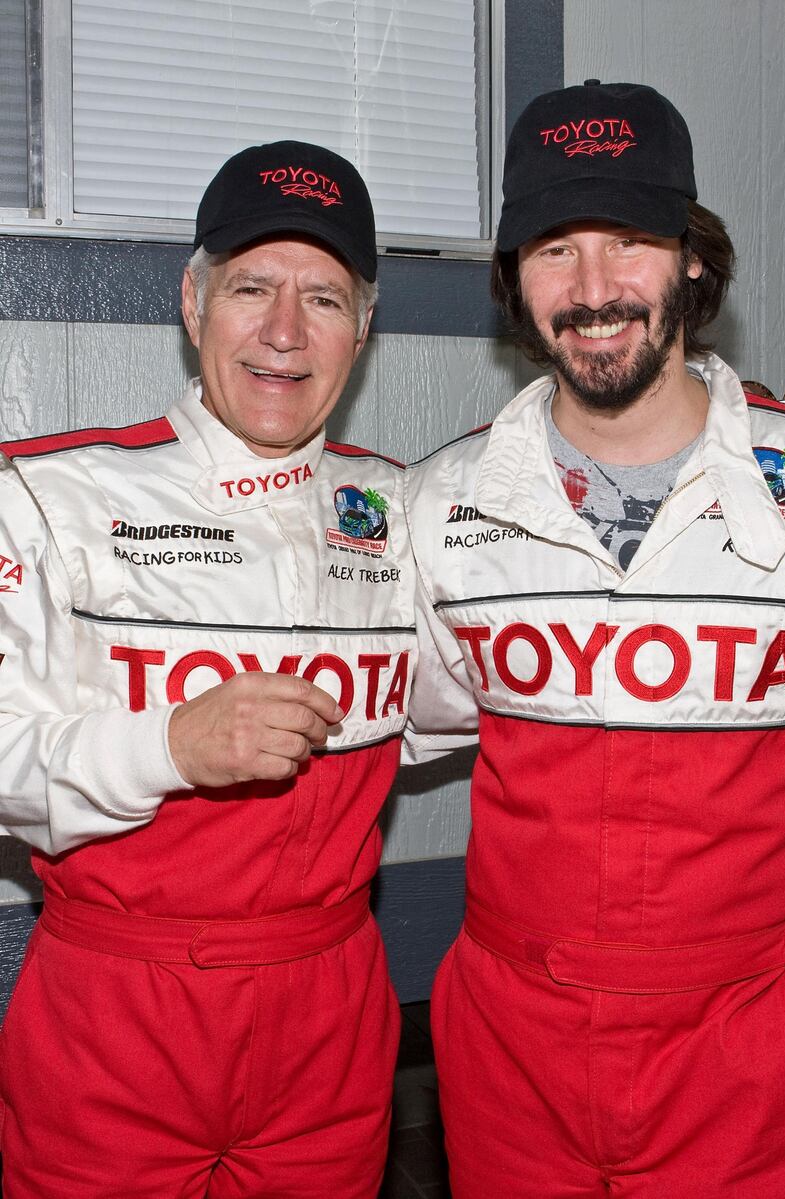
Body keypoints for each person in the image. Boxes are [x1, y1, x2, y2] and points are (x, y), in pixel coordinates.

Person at [404, 80, 785, 1197]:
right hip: (510, 1049)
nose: (590, 291)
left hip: (750, 1048)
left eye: (626, 241)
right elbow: (377, 727)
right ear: (511, 279)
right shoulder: (441, 500)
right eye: (552, 248)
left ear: (689, 260)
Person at [0, 141, 416, 1197]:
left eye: (323, 297)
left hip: (330, 1009)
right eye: (250, 288)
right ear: (192, 303)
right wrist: (170, 743)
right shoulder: (49, 494)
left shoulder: (411, 511)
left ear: (362, 328)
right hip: (116, 1012)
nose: (284, 331)